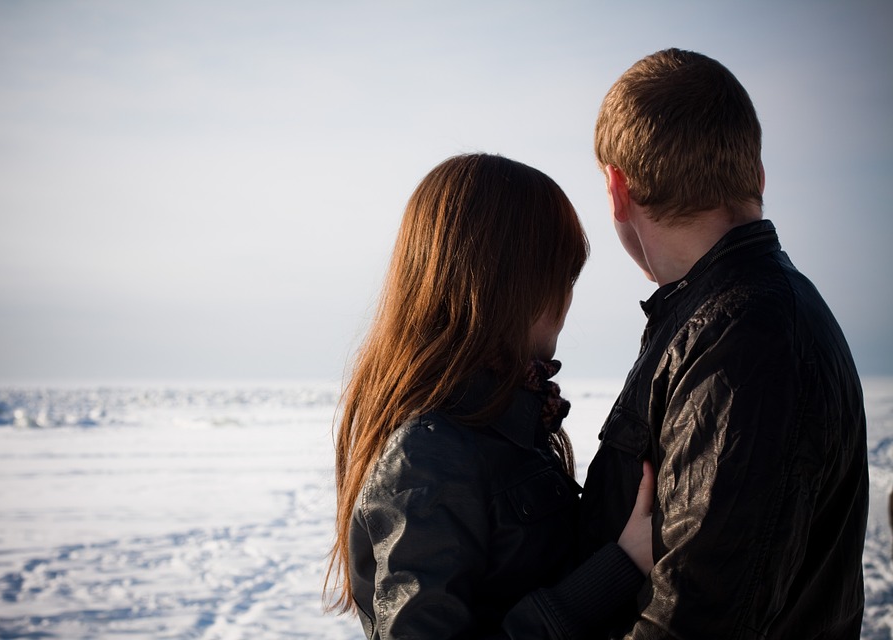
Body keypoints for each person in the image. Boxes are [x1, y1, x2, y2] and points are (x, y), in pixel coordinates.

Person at [576, 48, 869, 639]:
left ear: (616, 189)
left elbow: (690, 622)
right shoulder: (734, 317)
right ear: (758, 178)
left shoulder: (740, 342)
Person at [325, 153, 656, 638]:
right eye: (561, 275)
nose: (568, 299)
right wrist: (619, 568)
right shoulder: (428, 454)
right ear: (506, 283)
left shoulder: (508, 420)